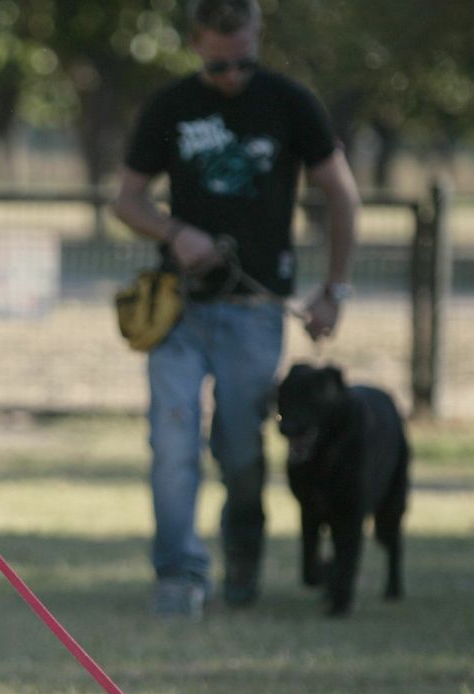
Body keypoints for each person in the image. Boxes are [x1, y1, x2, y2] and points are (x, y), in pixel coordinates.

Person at [113, 0, 360, 617]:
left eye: (243, 61)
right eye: (219, 64)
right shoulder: (171, 106)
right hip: (180, 309)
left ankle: (242, 553)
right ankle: (179, 574)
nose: (232, 76)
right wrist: (175, 233)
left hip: (256, 311)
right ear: (197, 42)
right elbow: (126, 200)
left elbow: (343, 195)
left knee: (241, 448)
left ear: (257, 34)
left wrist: (334, 289)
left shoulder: (290, 102)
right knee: (173, 440)